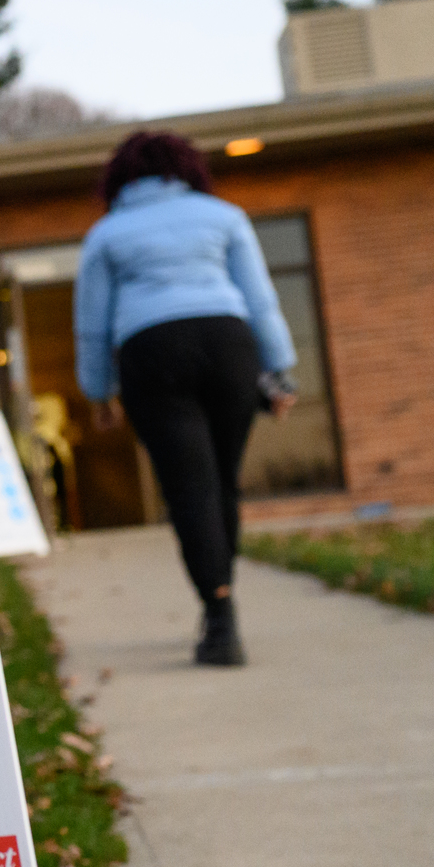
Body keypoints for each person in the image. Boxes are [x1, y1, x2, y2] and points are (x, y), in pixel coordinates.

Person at [74, 131, 297, 667]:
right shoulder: (222, 216)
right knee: (222, 482)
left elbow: (93, 326)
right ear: (185, 169)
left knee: (188, 488)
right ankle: (221, 597)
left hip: (152, 352)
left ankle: (219, 615)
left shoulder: (107, 234)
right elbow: (260, 300)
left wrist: (100, 392)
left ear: (122, 178)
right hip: (229, 344)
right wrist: (281, 372)